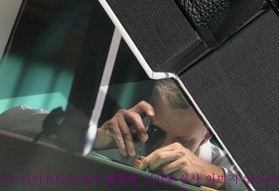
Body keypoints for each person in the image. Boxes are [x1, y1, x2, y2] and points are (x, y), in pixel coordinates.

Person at [94, 78, 246, 191]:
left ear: (206, 136)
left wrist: (215, 176)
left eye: (182, 140)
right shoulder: (113, 140)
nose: (164, 150)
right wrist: (94, 141)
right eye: (157, 131)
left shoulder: (224, 164)